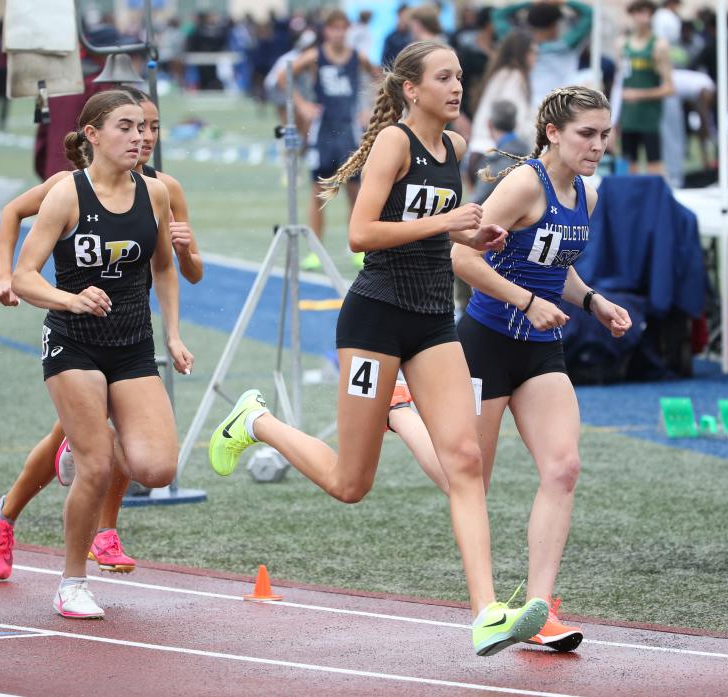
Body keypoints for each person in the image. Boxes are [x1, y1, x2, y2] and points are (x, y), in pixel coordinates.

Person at [208, 40, 550, 657]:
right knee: (350, 482)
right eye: (444, 77)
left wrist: (479, 233)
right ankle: (255, 420)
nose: (457, 87)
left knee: (466, 462)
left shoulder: (457, 148)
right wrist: (446, 223)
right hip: (374, 323)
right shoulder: (396, 141)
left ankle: (485, 613)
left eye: (460, 77)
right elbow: (361, 233)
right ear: (411, 89)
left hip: (432, 322)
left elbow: (440, 236)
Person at [388, 85, 631, 653]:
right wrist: (524, 301)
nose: (598, 146)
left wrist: (592, 300)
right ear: (553, 132)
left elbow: (556, 267)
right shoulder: (524, 182)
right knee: (466, 480)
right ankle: (401, 412)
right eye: (586, 135)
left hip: (540, 352)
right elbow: (460, 254)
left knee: (564, 467)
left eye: (604, 135)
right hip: (487, 343)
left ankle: (538, 609)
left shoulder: (586, 197)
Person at [0, 86, 203, 581]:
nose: (141, 137)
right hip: (74, 341)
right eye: (128, 127)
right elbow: (24, 270)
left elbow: (170, 270)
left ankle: (73, 461)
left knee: (158, 469)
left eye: (147, 128)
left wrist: (172, 333)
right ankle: (73, 578)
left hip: (131, 344)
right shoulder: (66, 190)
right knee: (97, 465)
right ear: (93, 135)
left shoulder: (159, 191)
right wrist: (65, 296)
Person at [285, 9, 376, 271]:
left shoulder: (357, 58)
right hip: (323, 131)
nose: (338, 33)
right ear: (326, 31)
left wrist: (368, 108)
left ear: (348, 30)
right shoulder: (315, 56)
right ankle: (315, 249)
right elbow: (284, 77)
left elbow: (381, 78)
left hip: (349, 131)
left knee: (355, 191)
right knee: (318, 192)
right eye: (333, 28)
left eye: (342, 28)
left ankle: (357, 246)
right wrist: (301, 104)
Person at [468, 30, 536, 185]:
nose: (535, 58)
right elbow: (511, 121)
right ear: (522, 53)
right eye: (532, 52)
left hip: (482, 153)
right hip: (495, 156)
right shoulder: (513, 77)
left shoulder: (502, 75)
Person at [619, 0, 674, 175]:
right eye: (639, 12)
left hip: (649, 118)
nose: (643, 18)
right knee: (627, 166)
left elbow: (669, 87)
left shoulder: (659, 46)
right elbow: (618, 82)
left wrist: (639, 94)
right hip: (627, 117)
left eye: (647, 13)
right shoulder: (622, 45)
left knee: (654, 166)